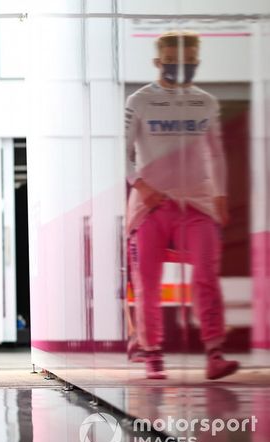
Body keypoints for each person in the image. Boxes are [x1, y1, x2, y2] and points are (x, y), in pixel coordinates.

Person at [125, 31, 239, 380]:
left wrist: (219, 196)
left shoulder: (205, 101)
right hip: (151, 205)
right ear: (159, 62)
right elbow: (122, 151)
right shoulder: (139, 101)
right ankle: (152, 352)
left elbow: (217, 154)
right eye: (177, 61)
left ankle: (215, 351)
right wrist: (141, 186)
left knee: (206, 276)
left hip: (199, 203)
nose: (184, 66)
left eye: (191, 61)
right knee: (148, 282)